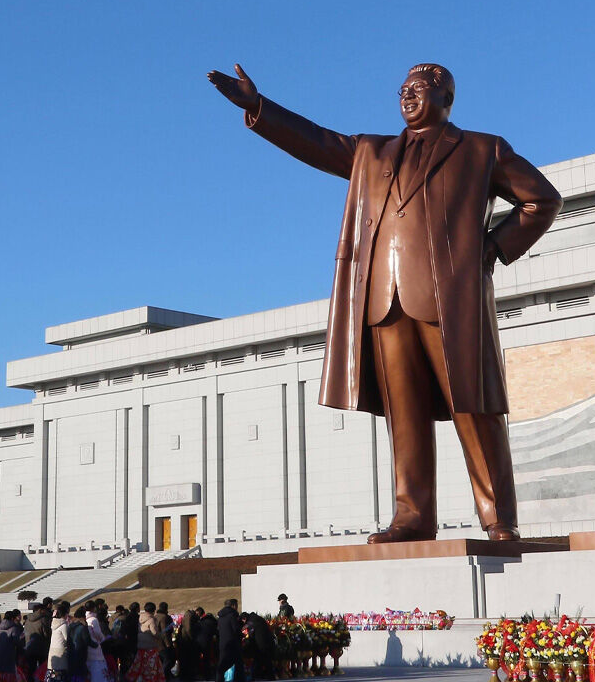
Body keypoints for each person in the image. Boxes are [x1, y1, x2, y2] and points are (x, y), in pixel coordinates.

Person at [208, 61, 561, 543]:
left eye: (420, 88)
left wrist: (490, 249)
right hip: (384, 300)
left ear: (446, 98)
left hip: (449, 299)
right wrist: (259, 108)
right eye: (403, 89)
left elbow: (542, 200)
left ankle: (498, 517)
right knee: (405, 414)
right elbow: (316, 142)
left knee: (473, 407)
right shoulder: (371, 153)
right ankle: (412, 516)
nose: (408, 95)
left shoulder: (482, 149)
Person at [213, 602, 241, 682]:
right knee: (235, 663)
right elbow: (235, 630)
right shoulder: (232, 615)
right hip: (232, 643)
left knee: (222, 663)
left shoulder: (221, 617)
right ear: (233, 606)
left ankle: (219, 679)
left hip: (222, 643)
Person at [45, 602, 72, 682]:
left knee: (53, 674)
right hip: (61, 653)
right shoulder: (63, 625)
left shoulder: (54, 624)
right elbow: (68, 639)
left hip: (52, 652)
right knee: (60, 675)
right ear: (65, 614)